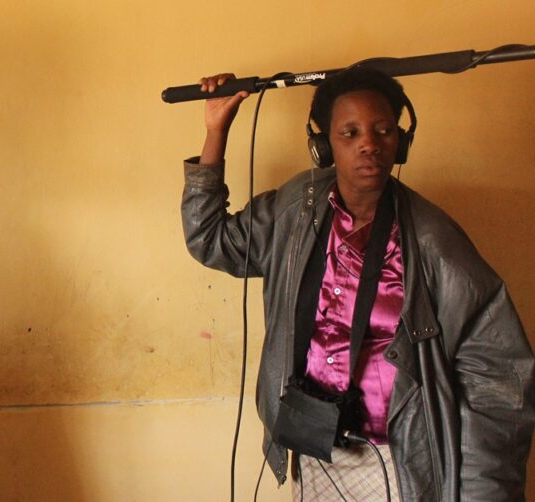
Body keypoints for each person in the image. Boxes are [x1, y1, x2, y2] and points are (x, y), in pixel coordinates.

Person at [181, 67, 534, 501]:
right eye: (349, 133)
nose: (369, 143)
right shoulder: (295, 208)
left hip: (397, 459)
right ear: (322, 145)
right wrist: (217, 131)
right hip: (312, 448)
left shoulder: (433, 241)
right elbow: (209, 240)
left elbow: (497, 379)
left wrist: (486, 490)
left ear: (400, 142)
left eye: (384, 130)